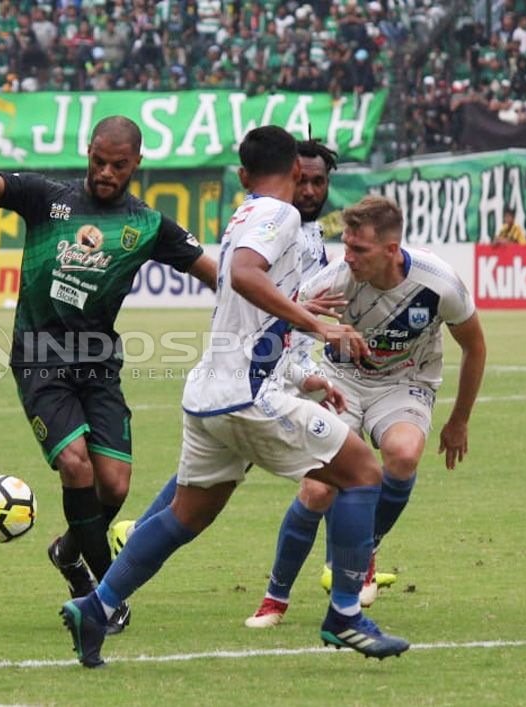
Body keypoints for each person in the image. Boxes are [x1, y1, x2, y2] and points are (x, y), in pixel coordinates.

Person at [59, 126, 409, 669]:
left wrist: (302, 375)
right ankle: (344, 614)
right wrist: (319, 325)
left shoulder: (247, 213)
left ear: (243, 176)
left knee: (184, 516)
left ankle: (97, 606)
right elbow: (247, 278)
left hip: (211, 393)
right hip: (247, 395)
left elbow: (257, 312)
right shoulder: (281, 214)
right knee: (364, 473)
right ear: (296, 171)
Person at [0, 106, 217, 635]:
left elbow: (215, 275)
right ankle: (101, 592)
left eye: (119, 166)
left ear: (136, 164)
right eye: (100, 162)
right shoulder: (46, 198)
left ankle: (68, 551)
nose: (106, 173)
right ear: (88, 152)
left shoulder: (147, 225)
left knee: (115, 484)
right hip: (39, 357)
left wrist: (272, 310)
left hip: (99, 363)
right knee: (77, 467)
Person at [245, 195, 486, 628]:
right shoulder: (333, 280)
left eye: (359, 249)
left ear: (391, 250)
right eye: (346, 246)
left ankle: (366, 545)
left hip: (405, 384)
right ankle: (274, 599)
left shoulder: (439, 284)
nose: (348, 257)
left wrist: (460, 419)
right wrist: (298, 372)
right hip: (343, 383)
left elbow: (475, 345)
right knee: (318, 490)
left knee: (404, 454)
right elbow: (279, 328)